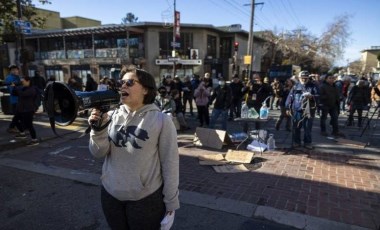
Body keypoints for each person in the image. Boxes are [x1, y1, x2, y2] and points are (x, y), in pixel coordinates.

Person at [88, 65, 179, 229]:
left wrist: (171, 202)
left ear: (145, 89)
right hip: (111, 195)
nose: (123, 86)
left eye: (129, 82)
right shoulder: (111, 116)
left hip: (145, 199)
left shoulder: (162, 121)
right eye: (121, 82)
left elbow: (170, 164)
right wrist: (97, 130)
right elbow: (98, 153)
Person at [285, 71, 319, 149]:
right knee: (296, 127)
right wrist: (287, 107)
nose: (304, 79)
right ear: (299, 78)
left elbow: (318, 96)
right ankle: (296, 142)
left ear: (308, 78)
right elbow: (290, 97)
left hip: (309, 110)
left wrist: (311, 96)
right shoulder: (295, 86)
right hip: (297, 110)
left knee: (308, 128)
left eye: (305, 78)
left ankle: (307, 143)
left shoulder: (313, 86)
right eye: (302, 78)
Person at [12, 76, 39, 146]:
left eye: (23, 81)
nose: (22, 82)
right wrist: (15, 87)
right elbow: (14, 93)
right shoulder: (24, 88)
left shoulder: (32, 89)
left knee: (29, 125)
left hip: (28, 110)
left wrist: (16, 87)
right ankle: (22, 133)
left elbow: (22, 94)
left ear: (28, 81)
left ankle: (34, 140)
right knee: (15, 120)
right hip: (21, 109)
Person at [5, 65, 21, 133]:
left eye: (16, 69)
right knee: (18, 115)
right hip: (15, 99)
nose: (15, 71)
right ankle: (15, 128)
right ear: (10, 71)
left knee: (18, 115)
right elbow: (12, 90)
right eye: (13, 70)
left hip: (20, 99)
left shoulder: (18, 77)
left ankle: (13, 127)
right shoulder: (9, 78)